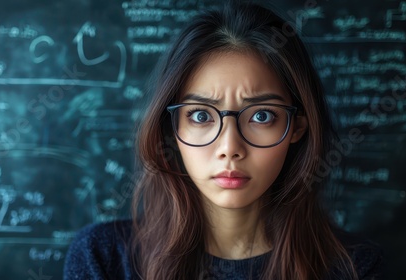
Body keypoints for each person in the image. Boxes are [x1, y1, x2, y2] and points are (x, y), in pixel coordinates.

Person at [64, 1, 383, 279]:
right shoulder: (102, 259)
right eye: (201, 116)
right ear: (170, 129)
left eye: (262, 116)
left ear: (297, 126)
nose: (230, 148)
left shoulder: (353, 267)